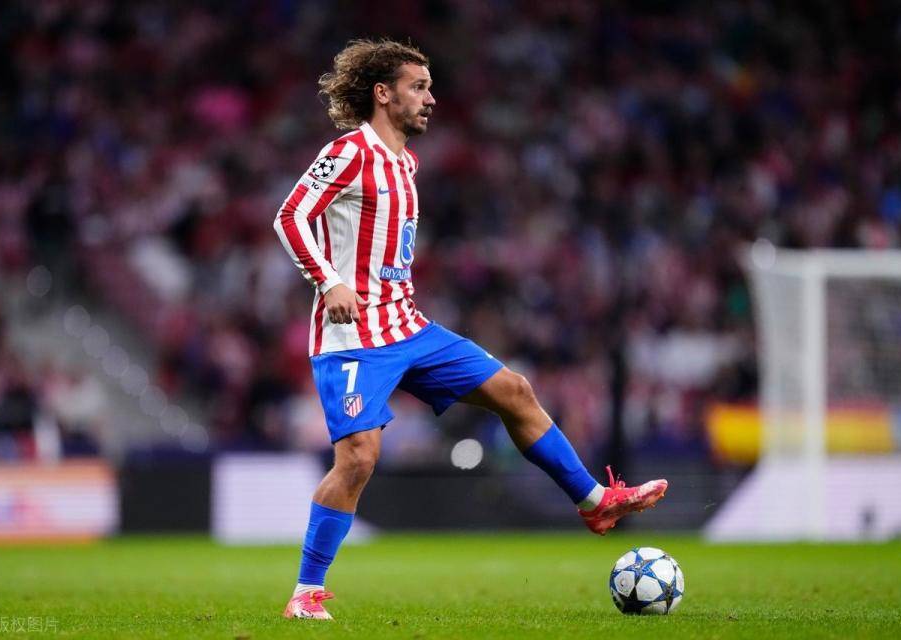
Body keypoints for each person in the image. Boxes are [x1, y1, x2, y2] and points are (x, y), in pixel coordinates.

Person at [273, 39, 667, 621]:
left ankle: (594, 501)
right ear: (382, 94)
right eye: (418, 87)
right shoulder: (348, 153)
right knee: (358, 458)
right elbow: (289, 215)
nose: (431, 98)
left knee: (514, 390)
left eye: (430, 87)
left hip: (408, 325)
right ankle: (306, 593)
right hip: (354, 338)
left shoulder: (406, 162)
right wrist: (329, 281)